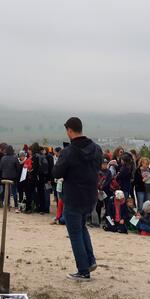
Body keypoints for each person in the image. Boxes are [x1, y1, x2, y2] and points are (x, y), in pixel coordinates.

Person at [52, 117, 103, 281]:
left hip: (73, 195)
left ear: (69, 131)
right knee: (82, 228)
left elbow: (56, 173)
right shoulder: (96, 148)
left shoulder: (69, 152)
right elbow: (98, 167)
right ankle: (90, 261)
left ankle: (83, 271)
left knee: (75, 233)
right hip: (90, 195)